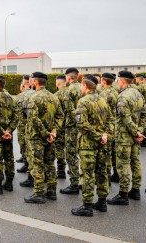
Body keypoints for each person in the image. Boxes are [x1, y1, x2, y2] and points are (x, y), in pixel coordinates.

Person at [71, 74, 112, 217]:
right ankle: (102, 202)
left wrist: (98, 136)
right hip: (103, 144)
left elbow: (82, 124)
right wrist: (105, 135)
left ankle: (87, 206)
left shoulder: (83, 102)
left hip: (88, 144)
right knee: (102, 173)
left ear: (85, 86)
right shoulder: (103, 100)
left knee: (87, 174)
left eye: (82, 85)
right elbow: (111, 120)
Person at [107, 71, 146, 206]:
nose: (117, 82)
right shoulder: (139, 94)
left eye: (118, 80)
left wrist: (136, 133)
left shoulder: (123, 96)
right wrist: (140, 131)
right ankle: (135, 190)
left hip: (125, 136)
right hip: (136, 136)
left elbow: (125, 118)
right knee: (135, 162)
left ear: (123, 81)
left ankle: (123, 194)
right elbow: (145, 115)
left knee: (123, 164)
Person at [24, 72, 64, 204]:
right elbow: (60, 116)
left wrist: (46, 133)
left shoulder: (33, 98)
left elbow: (33, 119)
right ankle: (52, 191)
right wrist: (53, 132)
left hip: (36, 138)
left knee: (37, 165)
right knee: (50, 164)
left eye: (31, 80)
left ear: (35, 82)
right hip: (50, 138)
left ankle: (39, 192)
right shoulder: (53, 97)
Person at [60, 67, 83, 195]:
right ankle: (82, 181)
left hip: (72, 127)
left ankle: (74, 183)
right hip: (84, 127)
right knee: (83, 154)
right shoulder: (84, 87)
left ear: (68, 77)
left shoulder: (68, 91)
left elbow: (68, 111)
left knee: (71, 155)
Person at [99, 73, 119, 183]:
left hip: (107, 125)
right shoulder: (116, 92)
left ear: (104, 82)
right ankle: (116, 174)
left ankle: (106, 179)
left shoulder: (103, 94)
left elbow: (102, 112)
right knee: (114, 152)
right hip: (116, 124)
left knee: (106, 153)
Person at [16, 75, 32, 173]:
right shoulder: (35, 93)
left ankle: (27, 164)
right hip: (32, 125)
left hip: (22, 125)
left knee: (24, 145)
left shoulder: (21, 96)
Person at [53, 75, 67, 179]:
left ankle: (61, 170)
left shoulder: (56, 95)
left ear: (58, 83)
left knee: (59, 148)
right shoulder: (74, 92)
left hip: (60, 126)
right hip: (73, 126)